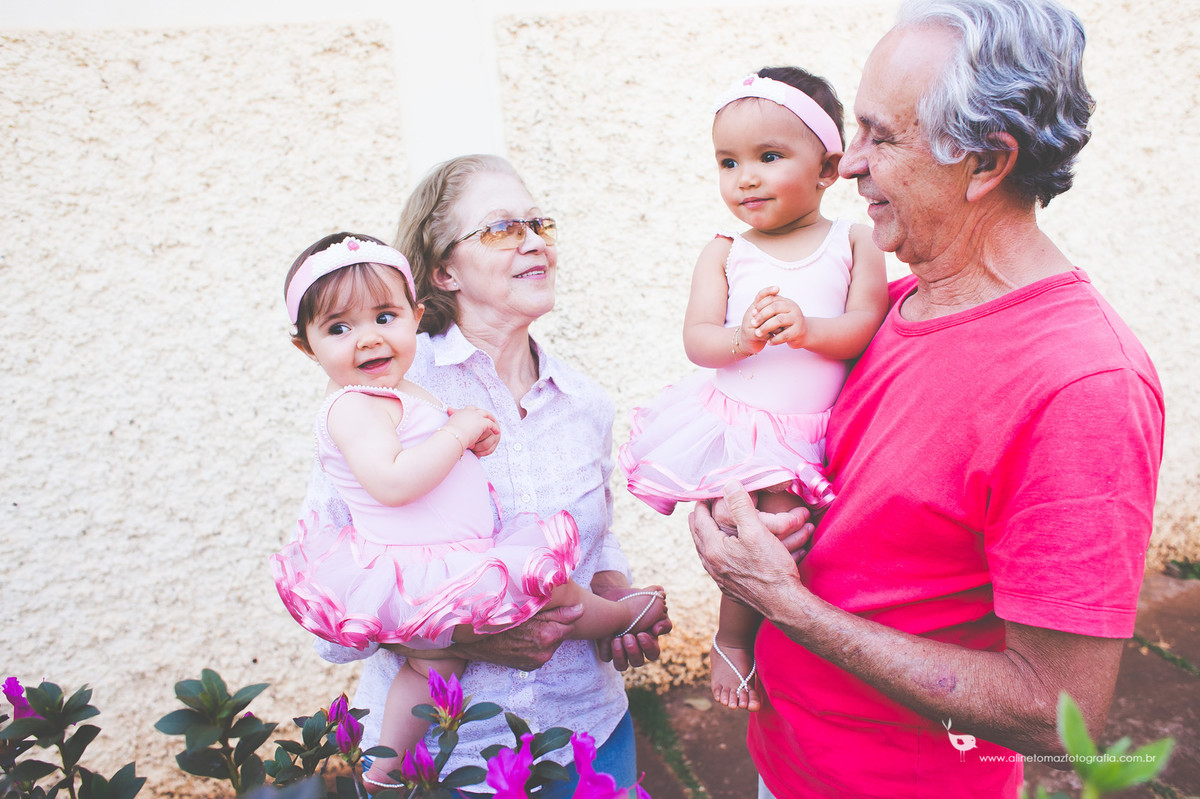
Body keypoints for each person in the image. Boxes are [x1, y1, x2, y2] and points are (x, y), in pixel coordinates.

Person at [688, 1, 1164, 796]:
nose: (847, 164)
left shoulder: (1082, 384)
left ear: (984, 162)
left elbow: (1057, 716)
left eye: (881, 135)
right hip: (785, 761)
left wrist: (783, 602)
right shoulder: (886, 306)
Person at [301, 155, 671, 797]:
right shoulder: (388, 397)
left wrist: (615, 599)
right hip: (449, 756)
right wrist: (467, 637)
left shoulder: (584, 403)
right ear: (443, 270)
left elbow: (597, 540)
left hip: (589, 729)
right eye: (502, 228)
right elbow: (334, 607)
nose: (534, 242)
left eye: (539, 224)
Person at [618, 67, 886, 711]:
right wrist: (746, 338)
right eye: (728, 161)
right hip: (747, 420)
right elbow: (699, 339)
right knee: (758, 529)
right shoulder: (724, 252)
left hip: (821, 423)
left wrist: (804, 327)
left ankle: (816, 654)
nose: (746, 177)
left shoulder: (854, 240)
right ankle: (733, 639)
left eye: (769, 157)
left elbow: (864, 324)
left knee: (812, 540)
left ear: (827, 170)